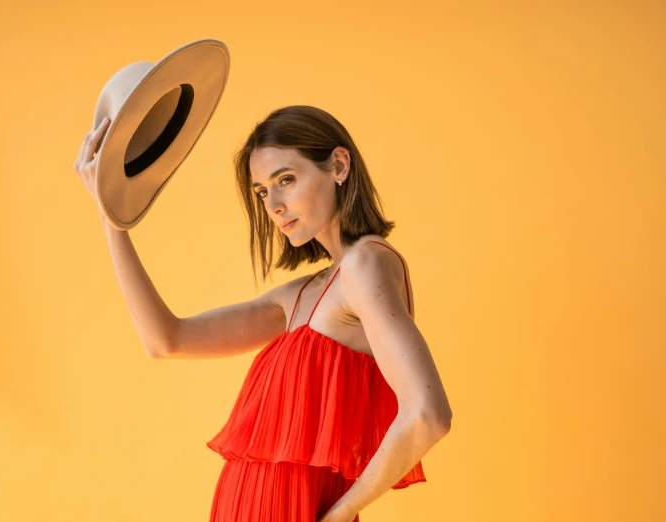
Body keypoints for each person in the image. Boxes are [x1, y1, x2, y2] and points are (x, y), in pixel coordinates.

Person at [73, 105, 452, 522]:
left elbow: (427, 414)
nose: (273, 205)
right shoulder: (299, 296)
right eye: (261, 192)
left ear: (339, 165)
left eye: (285, 180)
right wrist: (112, 218)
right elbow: (165, 340)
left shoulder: (365, 265)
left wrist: (342, 513)